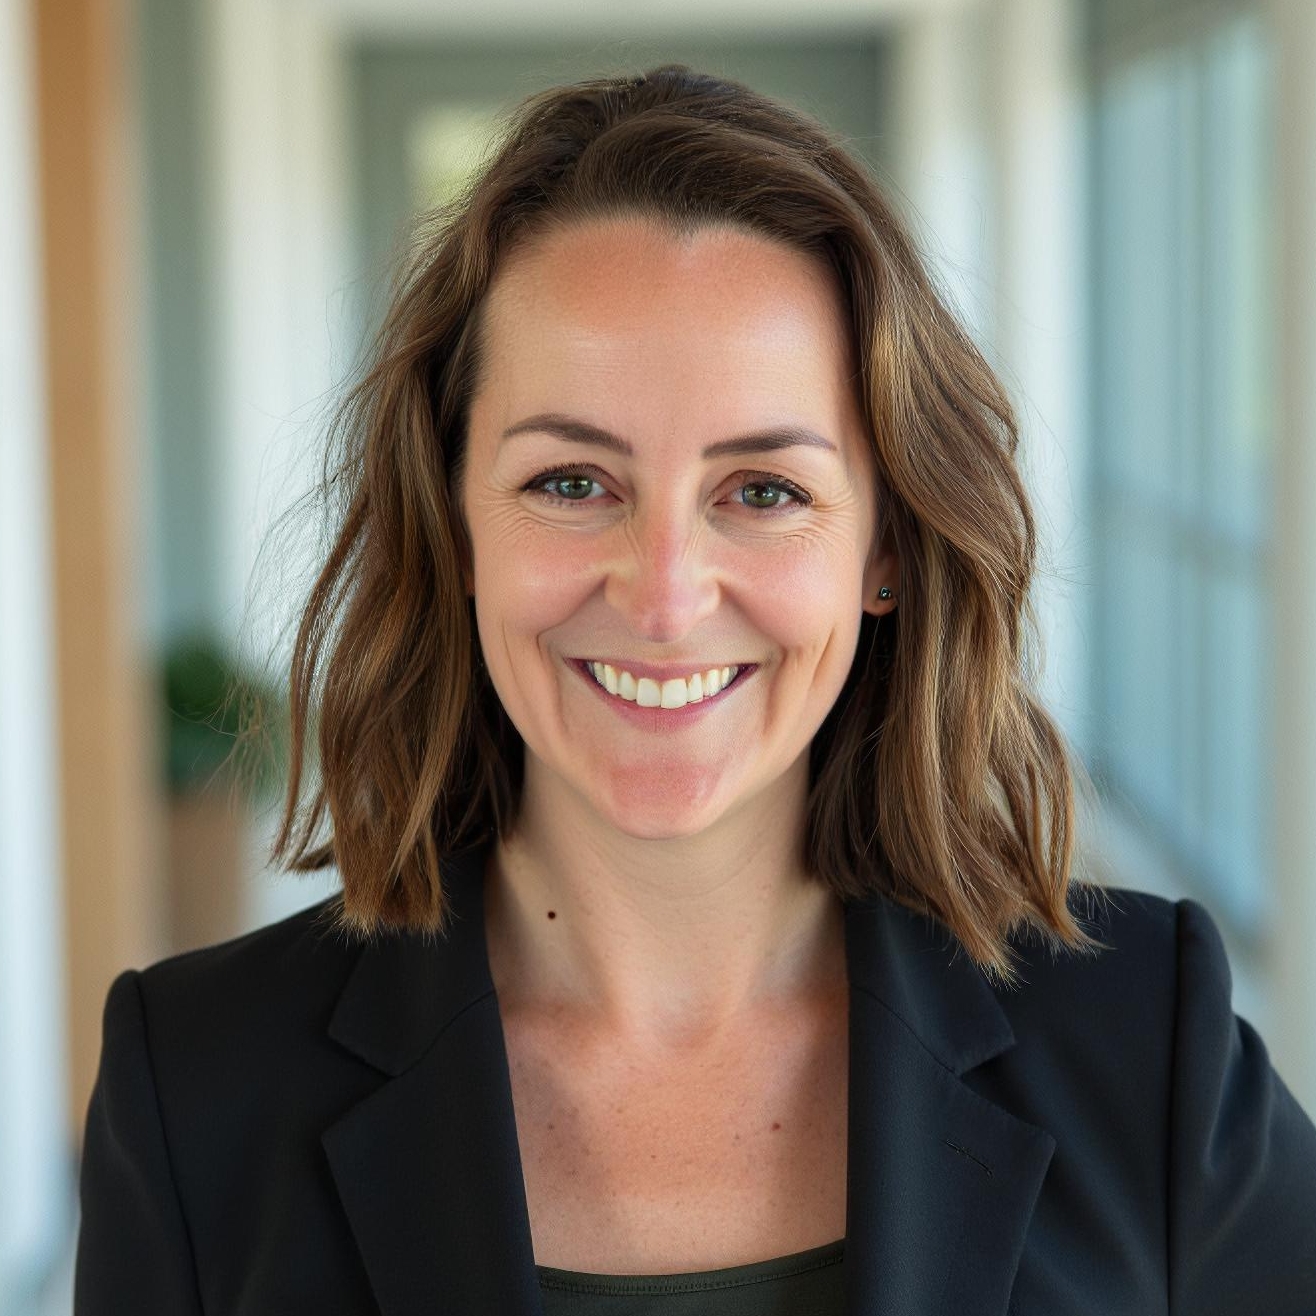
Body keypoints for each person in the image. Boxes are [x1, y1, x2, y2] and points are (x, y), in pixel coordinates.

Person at [73, 64, 1316, 1314]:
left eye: (761, 490)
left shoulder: (1149, 1044)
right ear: (454, 527)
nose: (664, 598)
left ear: (881, 548)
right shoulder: (191, 1090)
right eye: (571, 481)